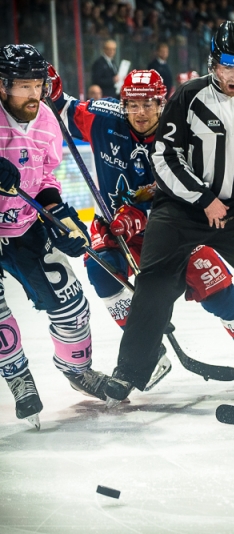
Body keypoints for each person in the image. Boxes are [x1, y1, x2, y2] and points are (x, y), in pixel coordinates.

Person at [103, 21, 234, 405]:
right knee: (156, 283)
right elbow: (165, 156)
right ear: (214, 63)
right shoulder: (189, 97)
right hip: (183, 210)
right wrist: (202, 198)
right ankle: (130, 371)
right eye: (228, 64)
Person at [50, 68, 234, 379]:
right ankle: (149, 350)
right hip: (113, 227)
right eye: (133, 105)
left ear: (163, 104)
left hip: (175, 230)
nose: (141, 113)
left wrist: (142, 215)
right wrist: (47, 89)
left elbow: (201, 196)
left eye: (149, 104)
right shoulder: (102, 119)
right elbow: (59, 106)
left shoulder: (187, 137)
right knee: (101, 271)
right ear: (123, 105)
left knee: (218, 291)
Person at [0, 44, 111, 428]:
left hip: (25, 225)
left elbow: (45, 177)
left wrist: (58, 215)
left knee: (72, 305)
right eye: (24, 86)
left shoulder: (47, 119)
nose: (34, 94)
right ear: (2, 85)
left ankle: (76, 369)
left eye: (38, 85)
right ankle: (18, 378)